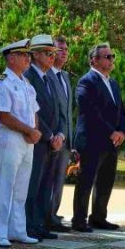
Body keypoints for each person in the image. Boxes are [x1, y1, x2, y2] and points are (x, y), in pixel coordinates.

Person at [0, 39, 42, 247]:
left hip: (27, 140)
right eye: (23, 55)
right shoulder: (2, 83)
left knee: (21, 187)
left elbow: (34, 111)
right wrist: (29, 130)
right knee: (5, 185)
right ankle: (0, 232)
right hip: (10, 138)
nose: (28, 59)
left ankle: (17, 229)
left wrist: (35, 131)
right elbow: (4, 115)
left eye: (28, 55)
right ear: (11, 58)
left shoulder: (26, 83)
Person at [72, 43, 125, 232]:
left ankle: (98, 217)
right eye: (107, 57)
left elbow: (122, 111)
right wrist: (111, 131)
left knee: (106, 180)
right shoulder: (86, 81)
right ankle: (79, 219)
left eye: (112, 56)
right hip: (92, 140)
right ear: (94, 60)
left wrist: (121, 132)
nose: (111, 60)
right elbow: (90, 111)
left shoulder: (113, 83)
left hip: (111, 142)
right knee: (86, 180)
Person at [24, 34, 66, 241]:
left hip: (51, 142)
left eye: (53, 53)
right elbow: (35, 112)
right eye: (48, 53)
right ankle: (29, 224)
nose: (52, 57)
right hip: (39, 140)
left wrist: (59, 134)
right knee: (33, 184)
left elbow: (58, 109)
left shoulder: (49, 77)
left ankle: (40, 223)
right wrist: (50, 135)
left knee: (46, 184)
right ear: (36, 55)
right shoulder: (28, 76)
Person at [50, 36, 74, 229]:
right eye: (60, 49)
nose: (64, 52)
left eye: (66, 49)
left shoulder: (65, 76)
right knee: (47, 179)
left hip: (66, 139)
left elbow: (68, 111)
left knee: (59, 180)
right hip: (52, 138)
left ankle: (53, 213)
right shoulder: (46, 75)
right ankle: (44, 214)